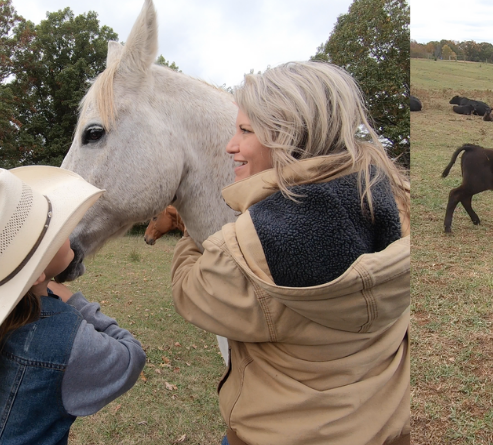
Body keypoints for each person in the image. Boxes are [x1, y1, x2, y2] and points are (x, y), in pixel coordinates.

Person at [171, 61, 411, 445]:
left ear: (289, 137)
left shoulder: (249, 246)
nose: (231, 145)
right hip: (387, 427)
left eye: (246, 130)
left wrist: (190, 225)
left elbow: (189, 290)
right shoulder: (396, 199)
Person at [0, 166, 146, 444]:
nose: (70, 232)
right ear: (38, 274)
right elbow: (131, 357)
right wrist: (74, 300)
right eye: (59, 231)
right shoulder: (68, 342)